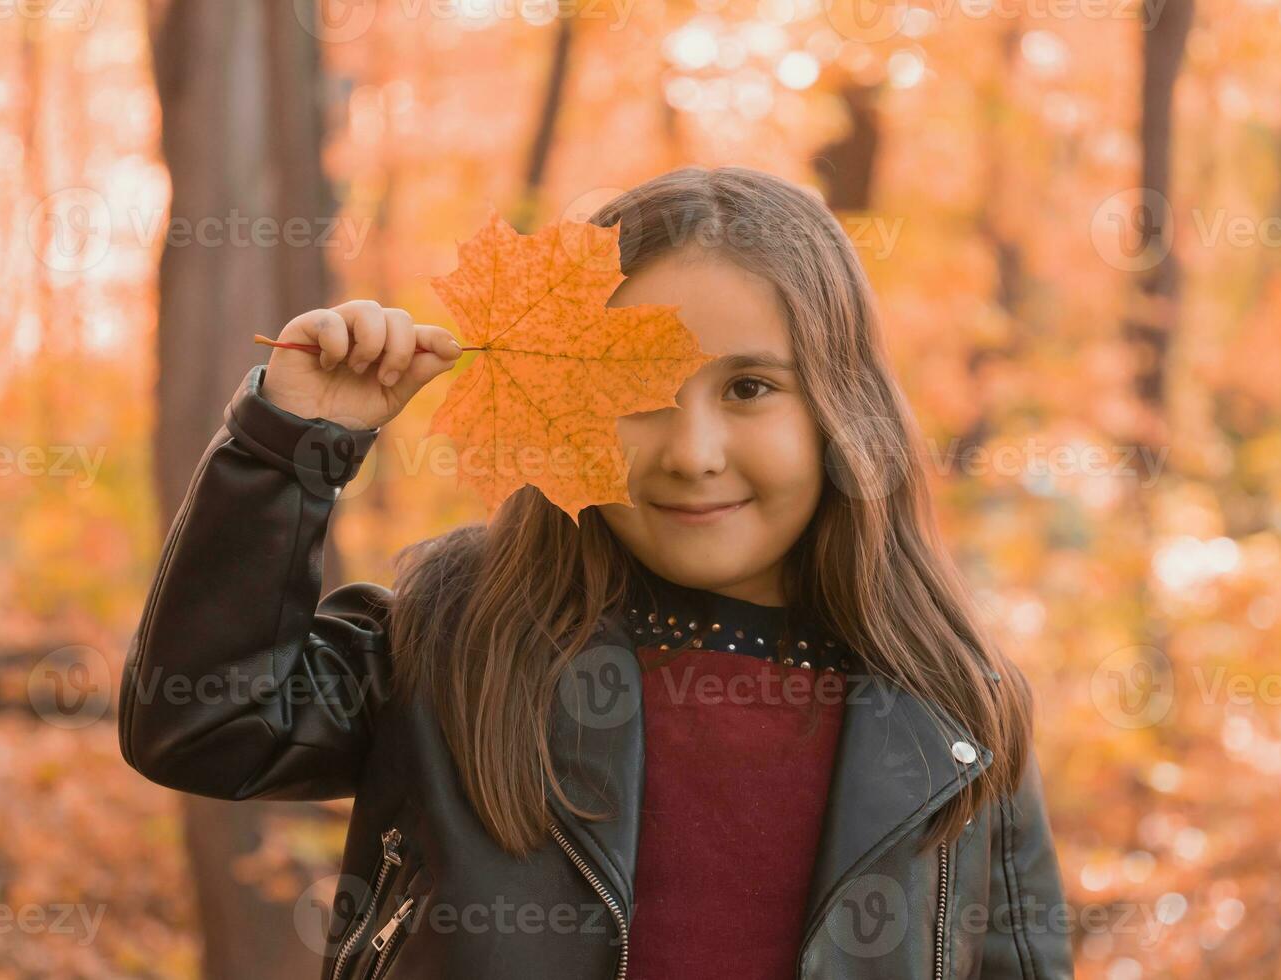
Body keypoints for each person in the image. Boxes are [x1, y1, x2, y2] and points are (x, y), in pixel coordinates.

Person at [119, 165, 1075, 980]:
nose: (693, 453)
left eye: (749, 388)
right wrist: (290, 448)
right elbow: (208, 722)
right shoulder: (463, 635)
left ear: (838, 406)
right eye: (638, 394)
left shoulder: (957, 715)